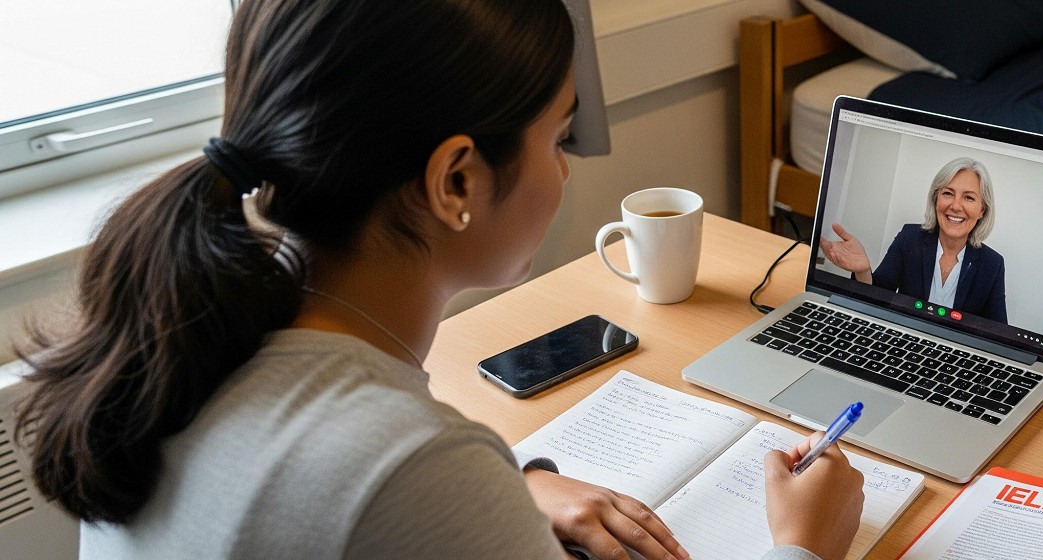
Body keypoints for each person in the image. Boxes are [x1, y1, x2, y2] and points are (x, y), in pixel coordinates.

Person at [14, 1, 864, 559]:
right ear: (455, 181)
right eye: (559, 138)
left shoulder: (180, 338)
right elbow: (388, 483)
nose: (567, 174)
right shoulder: (412, 462)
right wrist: (803, 547)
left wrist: (519, 487)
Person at [820, 157, 1007, 323]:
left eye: (968, 197)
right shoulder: (909, 238)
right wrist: (862, 271)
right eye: (948, 193)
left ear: (982, 210)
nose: (956, 206)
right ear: (936, 200)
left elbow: (999, 335)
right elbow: (876, 301)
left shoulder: (993, 264)